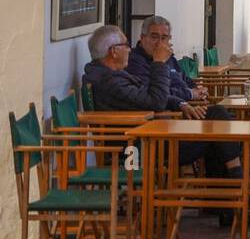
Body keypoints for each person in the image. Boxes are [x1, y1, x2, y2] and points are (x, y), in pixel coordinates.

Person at [83, 23, 242, 221]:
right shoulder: (111, 81)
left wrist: (181, 103)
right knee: (217, 128)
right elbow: (155, 101)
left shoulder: (114, 75)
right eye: (126, 45)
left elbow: (149, 95)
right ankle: (237, 193)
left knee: (216, 120)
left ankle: (228, 204)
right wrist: (158, 63)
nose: (130, 49)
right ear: (113, 52)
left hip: (149, 137)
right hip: (137, 149)